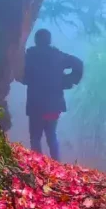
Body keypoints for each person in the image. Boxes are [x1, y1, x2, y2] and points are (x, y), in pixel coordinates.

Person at [18, 29, 82, 161]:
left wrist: (27, 79)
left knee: (35, 138)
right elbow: (78, 63)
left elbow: (23, 78)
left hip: (36, 104)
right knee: (51, 135)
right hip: (54, 104)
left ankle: (39, 165)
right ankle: (56, 164)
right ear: (49, 40)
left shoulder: (30, 55)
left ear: (36, 40)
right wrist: (68, 81)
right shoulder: (58, 55)